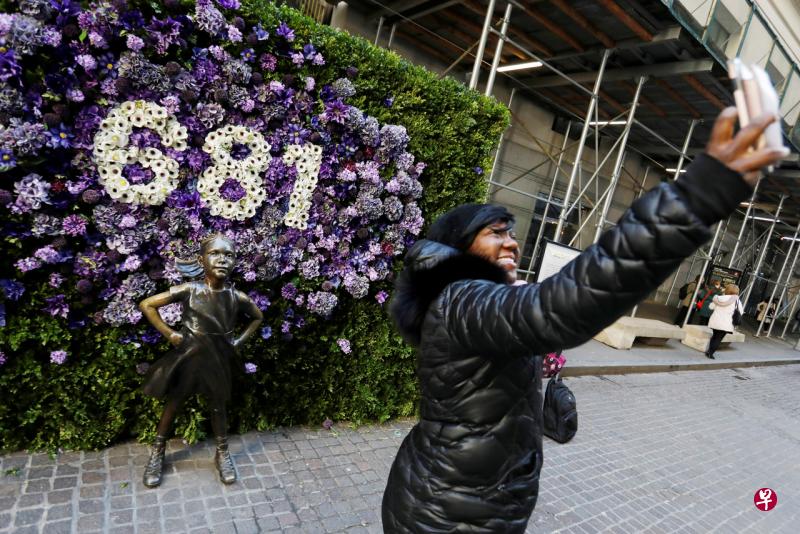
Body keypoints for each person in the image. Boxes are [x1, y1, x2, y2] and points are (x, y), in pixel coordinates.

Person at [381, 107, 787, 533]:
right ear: (461, 247)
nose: (512, 243)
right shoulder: (463, 299)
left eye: (513, 232)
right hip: (448, 514)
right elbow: (563, 307)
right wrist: (698, 196)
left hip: (459, 499)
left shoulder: (466, 299)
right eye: (496, 233)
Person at [138, 234, 263, 488]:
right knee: (174, 403)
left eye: (229, 255)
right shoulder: (190, 290)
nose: (222, 260)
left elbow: (257, 317)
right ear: (201, 259)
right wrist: (170, 334)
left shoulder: (236, 297)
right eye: (215, 253)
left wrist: (237, 342)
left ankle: (222, 452)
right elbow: (148, 304)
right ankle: (158, 451)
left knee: (218, 406)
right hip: (189, 357)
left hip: (218, 359)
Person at [705, 284, 743, 359]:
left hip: (715, 321)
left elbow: (711, 307)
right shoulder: (737, 301)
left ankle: (709, 351)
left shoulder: (719, 298)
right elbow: (741, 312)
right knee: (718, 338)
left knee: (714, 336)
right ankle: (710, 353)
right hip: (726, 324)